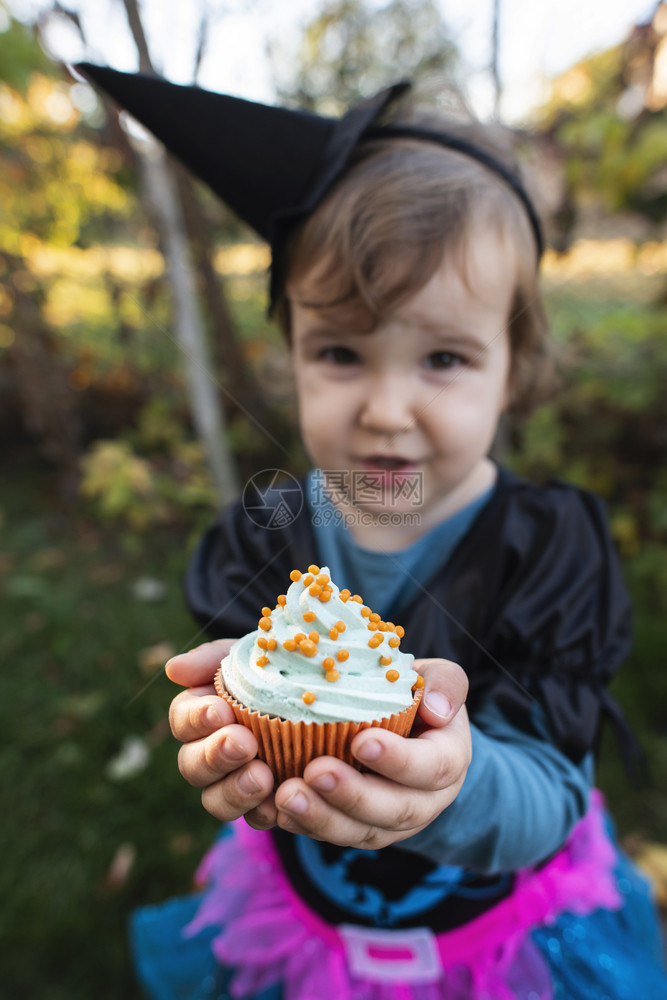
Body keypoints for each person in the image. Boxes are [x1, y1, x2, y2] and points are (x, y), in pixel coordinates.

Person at [78, 65, 667, 1000]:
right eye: (341, 352)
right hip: (307, 910)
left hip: (493, 933)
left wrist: (453, 784)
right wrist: (230, 725)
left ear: (512, 370)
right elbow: (244, 704)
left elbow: (553, 790)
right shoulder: (268, 535)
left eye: (443, 357)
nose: (386, 410)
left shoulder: (546, 549)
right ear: (292, 353)